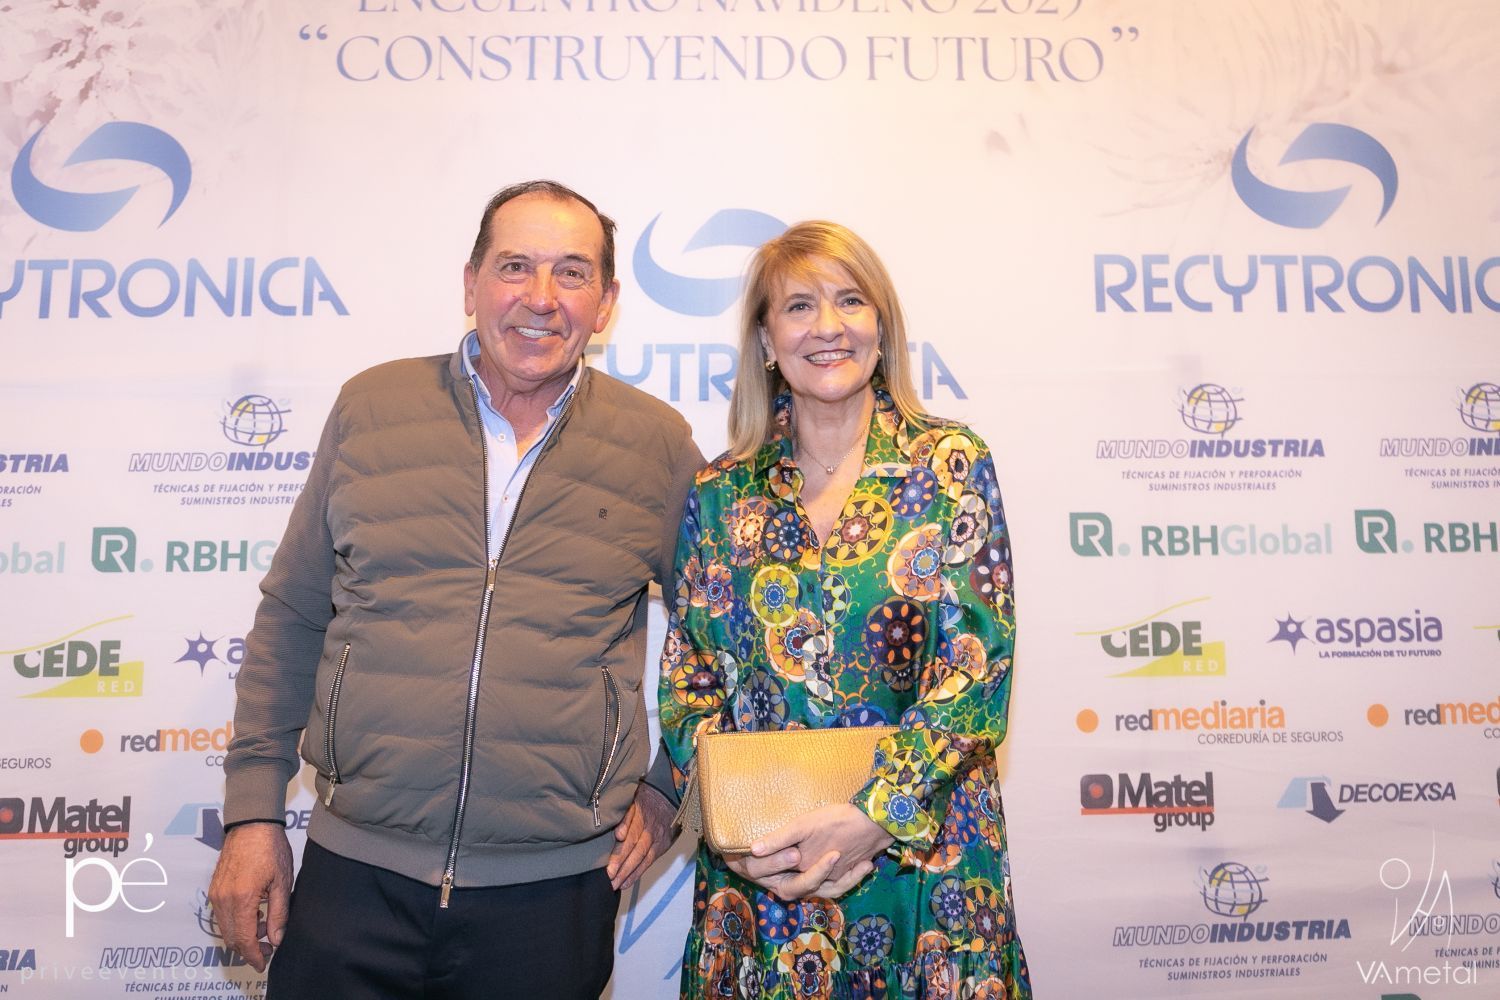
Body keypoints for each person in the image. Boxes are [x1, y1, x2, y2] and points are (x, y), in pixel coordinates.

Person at [210, 180, 704, 999]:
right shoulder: (373, 408)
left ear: (607, 302)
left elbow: (723, 642)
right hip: (354, 875)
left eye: (572, 273)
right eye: (515, 266)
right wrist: (254, 813)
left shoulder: (656, 445)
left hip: (552, 897)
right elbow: (294, 614)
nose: (541, 297)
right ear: (471, 284)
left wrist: (667, 786)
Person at [659, 221, 1030, 998]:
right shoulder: (720, 492)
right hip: (765, 881)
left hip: (924, 871)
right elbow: (690, 681)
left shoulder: (950, 466)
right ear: (767, 340)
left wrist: (876, 813)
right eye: (799, 306)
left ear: (881, 326)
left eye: (850, 301)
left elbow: (978, 669)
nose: (827, 326)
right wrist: (737, 835)